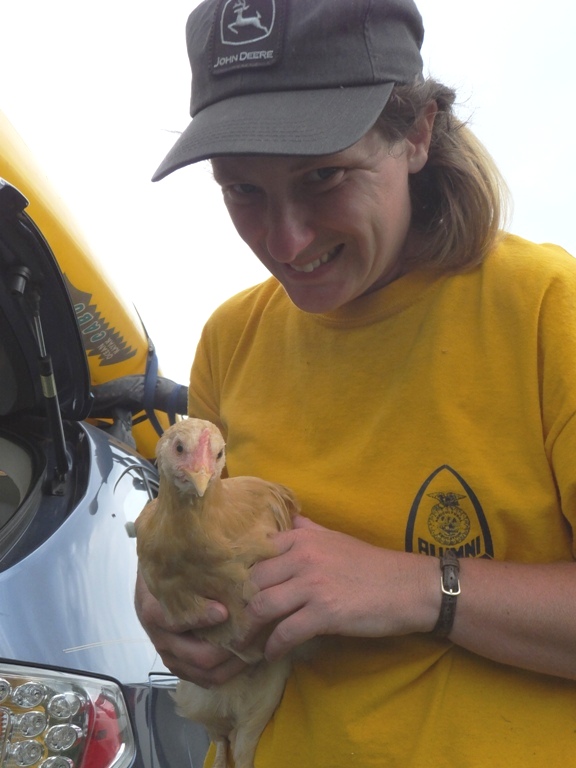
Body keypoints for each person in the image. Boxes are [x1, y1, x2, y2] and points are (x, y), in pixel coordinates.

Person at [136, 0, 576, 765]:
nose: (286, 239)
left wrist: (415, 590)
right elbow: (200, 543)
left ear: (416, 134)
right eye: (242, 191)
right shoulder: (230, 339)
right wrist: (162, 605)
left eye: (324, 176)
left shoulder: (546, 312)